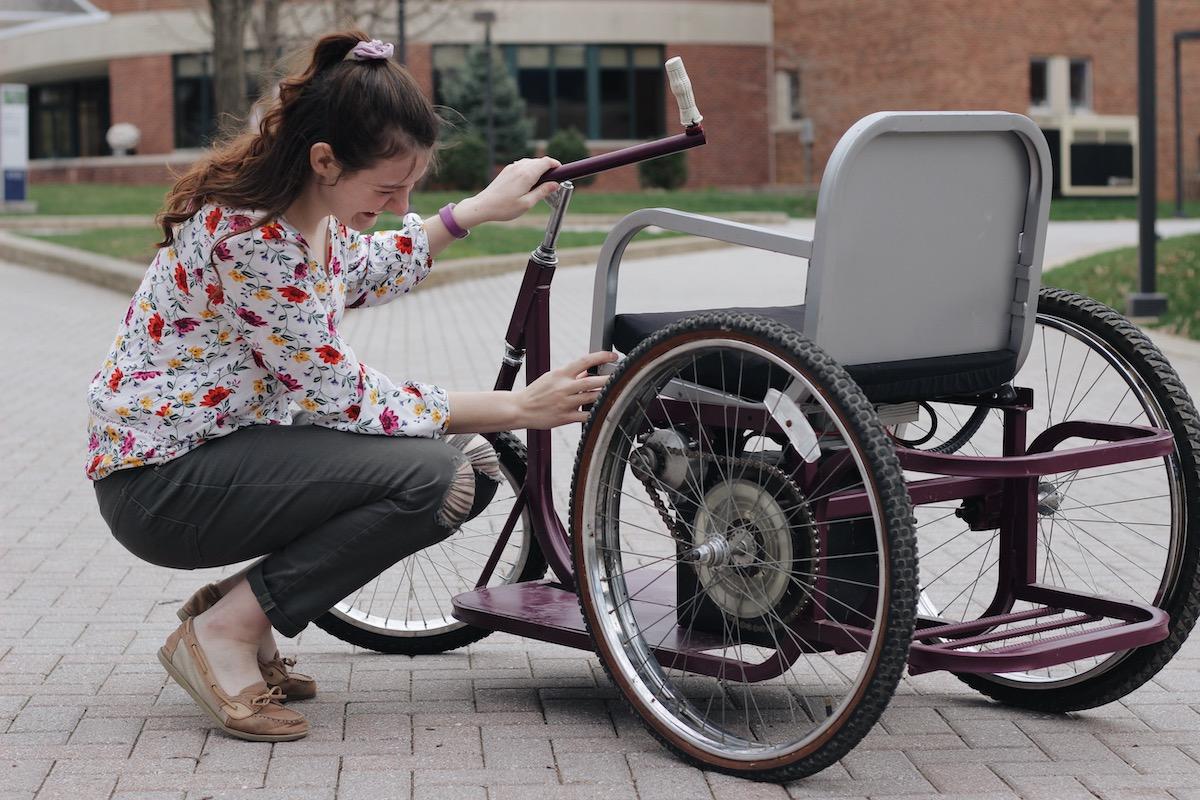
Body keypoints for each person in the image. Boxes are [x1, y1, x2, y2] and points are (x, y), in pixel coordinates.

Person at [86, 31, 615, 743]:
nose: (398, 203)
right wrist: (518, 406)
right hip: (160, 485)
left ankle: (240, 611)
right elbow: (345, 397)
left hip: (219, 452)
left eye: (409, 189)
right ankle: (225, 631)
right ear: (325, 160)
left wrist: (477, 209)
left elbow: (367, 269)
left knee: (471, 464)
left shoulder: (309, 217)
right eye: (387, 189)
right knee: (437, 477)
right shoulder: (251, 239)